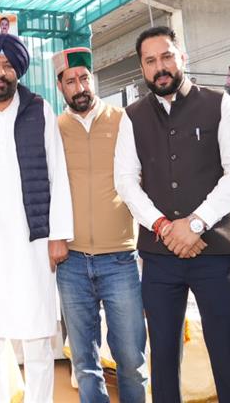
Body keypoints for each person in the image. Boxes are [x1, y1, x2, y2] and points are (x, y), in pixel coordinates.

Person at [114, 25, 230, 402]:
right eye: (150, 61)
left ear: (182, 57)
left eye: (166, 56)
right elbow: (125, 181)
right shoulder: (132, 117)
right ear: (142, 68)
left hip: (216, 253)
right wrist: (163, 226)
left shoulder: (218, 103)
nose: (160, 67)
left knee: (229, 355)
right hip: (160, 257)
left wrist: (195, 223)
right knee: (162, 359)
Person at [0, 33, 73, 402]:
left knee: (37, 335)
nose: (1, 73)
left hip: (34, 241)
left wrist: (59, 234)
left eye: (8, 66)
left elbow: (57, 173)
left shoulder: (38, 109)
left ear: (19, 71)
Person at [53, 47, 147, 402]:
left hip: (120, 258)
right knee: (84, 363)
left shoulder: (124, 121)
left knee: (131, 359)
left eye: (84, 78)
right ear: (60, 86)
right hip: (72, 261)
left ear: (93, 79)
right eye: (70, 81)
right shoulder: (54, 129)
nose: (79, 87)